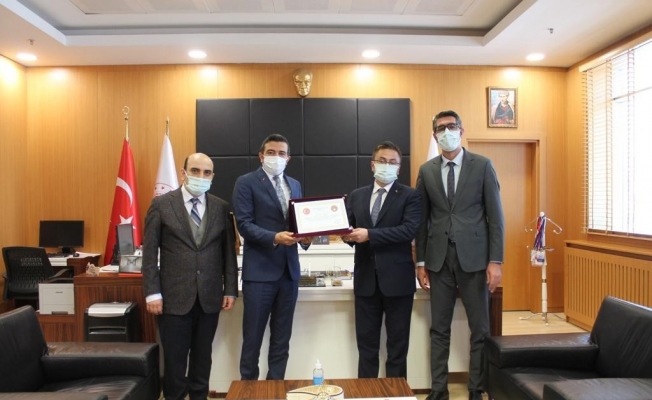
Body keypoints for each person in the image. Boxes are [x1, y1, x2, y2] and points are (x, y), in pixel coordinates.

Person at [415, 110, 505, 400]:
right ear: (434, 135)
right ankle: (438, 390)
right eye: (440, 128)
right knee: (439, 329)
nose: (446, 132)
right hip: (438, 260)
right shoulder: (426, 170)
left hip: (475, 260)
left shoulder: (483, 165)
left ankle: (476, 389)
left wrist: (495, 261)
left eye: (451, 126)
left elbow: (496, 218)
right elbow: (422, 221)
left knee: (480, 329)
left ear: (461, 131)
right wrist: (420, 262)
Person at [142, 152, 238, 400]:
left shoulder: (221, 207)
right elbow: (149, 254)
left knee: (202, 360)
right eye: (195, 171)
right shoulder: (162, 205)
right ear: (183, 173)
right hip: (173, 299)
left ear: (213, 176)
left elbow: (228, 253)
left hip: (209, 297)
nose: (200, 176)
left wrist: (230, 289)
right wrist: (152, 292)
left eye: (207, 173)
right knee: (175, 363)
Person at [232, 133, 312, 380]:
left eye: (281, 154)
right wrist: (275, 237)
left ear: (288, 158)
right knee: (252, 340)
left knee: (281, 340)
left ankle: (275, 389)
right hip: (259, 274)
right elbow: (244, 225)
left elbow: (299, 222)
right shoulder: (246, 182)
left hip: (289, 274)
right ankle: (249, 391)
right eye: (271, 152)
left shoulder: (295, 185)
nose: (276, 157)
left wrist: (307, 237)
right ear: (261, 156)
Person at [343, 141, 421, 379]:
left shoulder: (410, 195)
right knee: (366, 348)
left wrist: (370, 234)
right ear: (372, 164)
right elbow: (349, 229)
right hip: (365, 282)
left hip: (398, 282)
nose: (387, 165)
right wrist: (346, 235)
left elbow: (408, 230)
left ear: (399, 168)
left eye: (392, 162)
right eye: (382, 161)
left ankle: (395, 393)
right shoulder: (357, 195)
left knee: (397, 348)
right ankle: (366, 393)